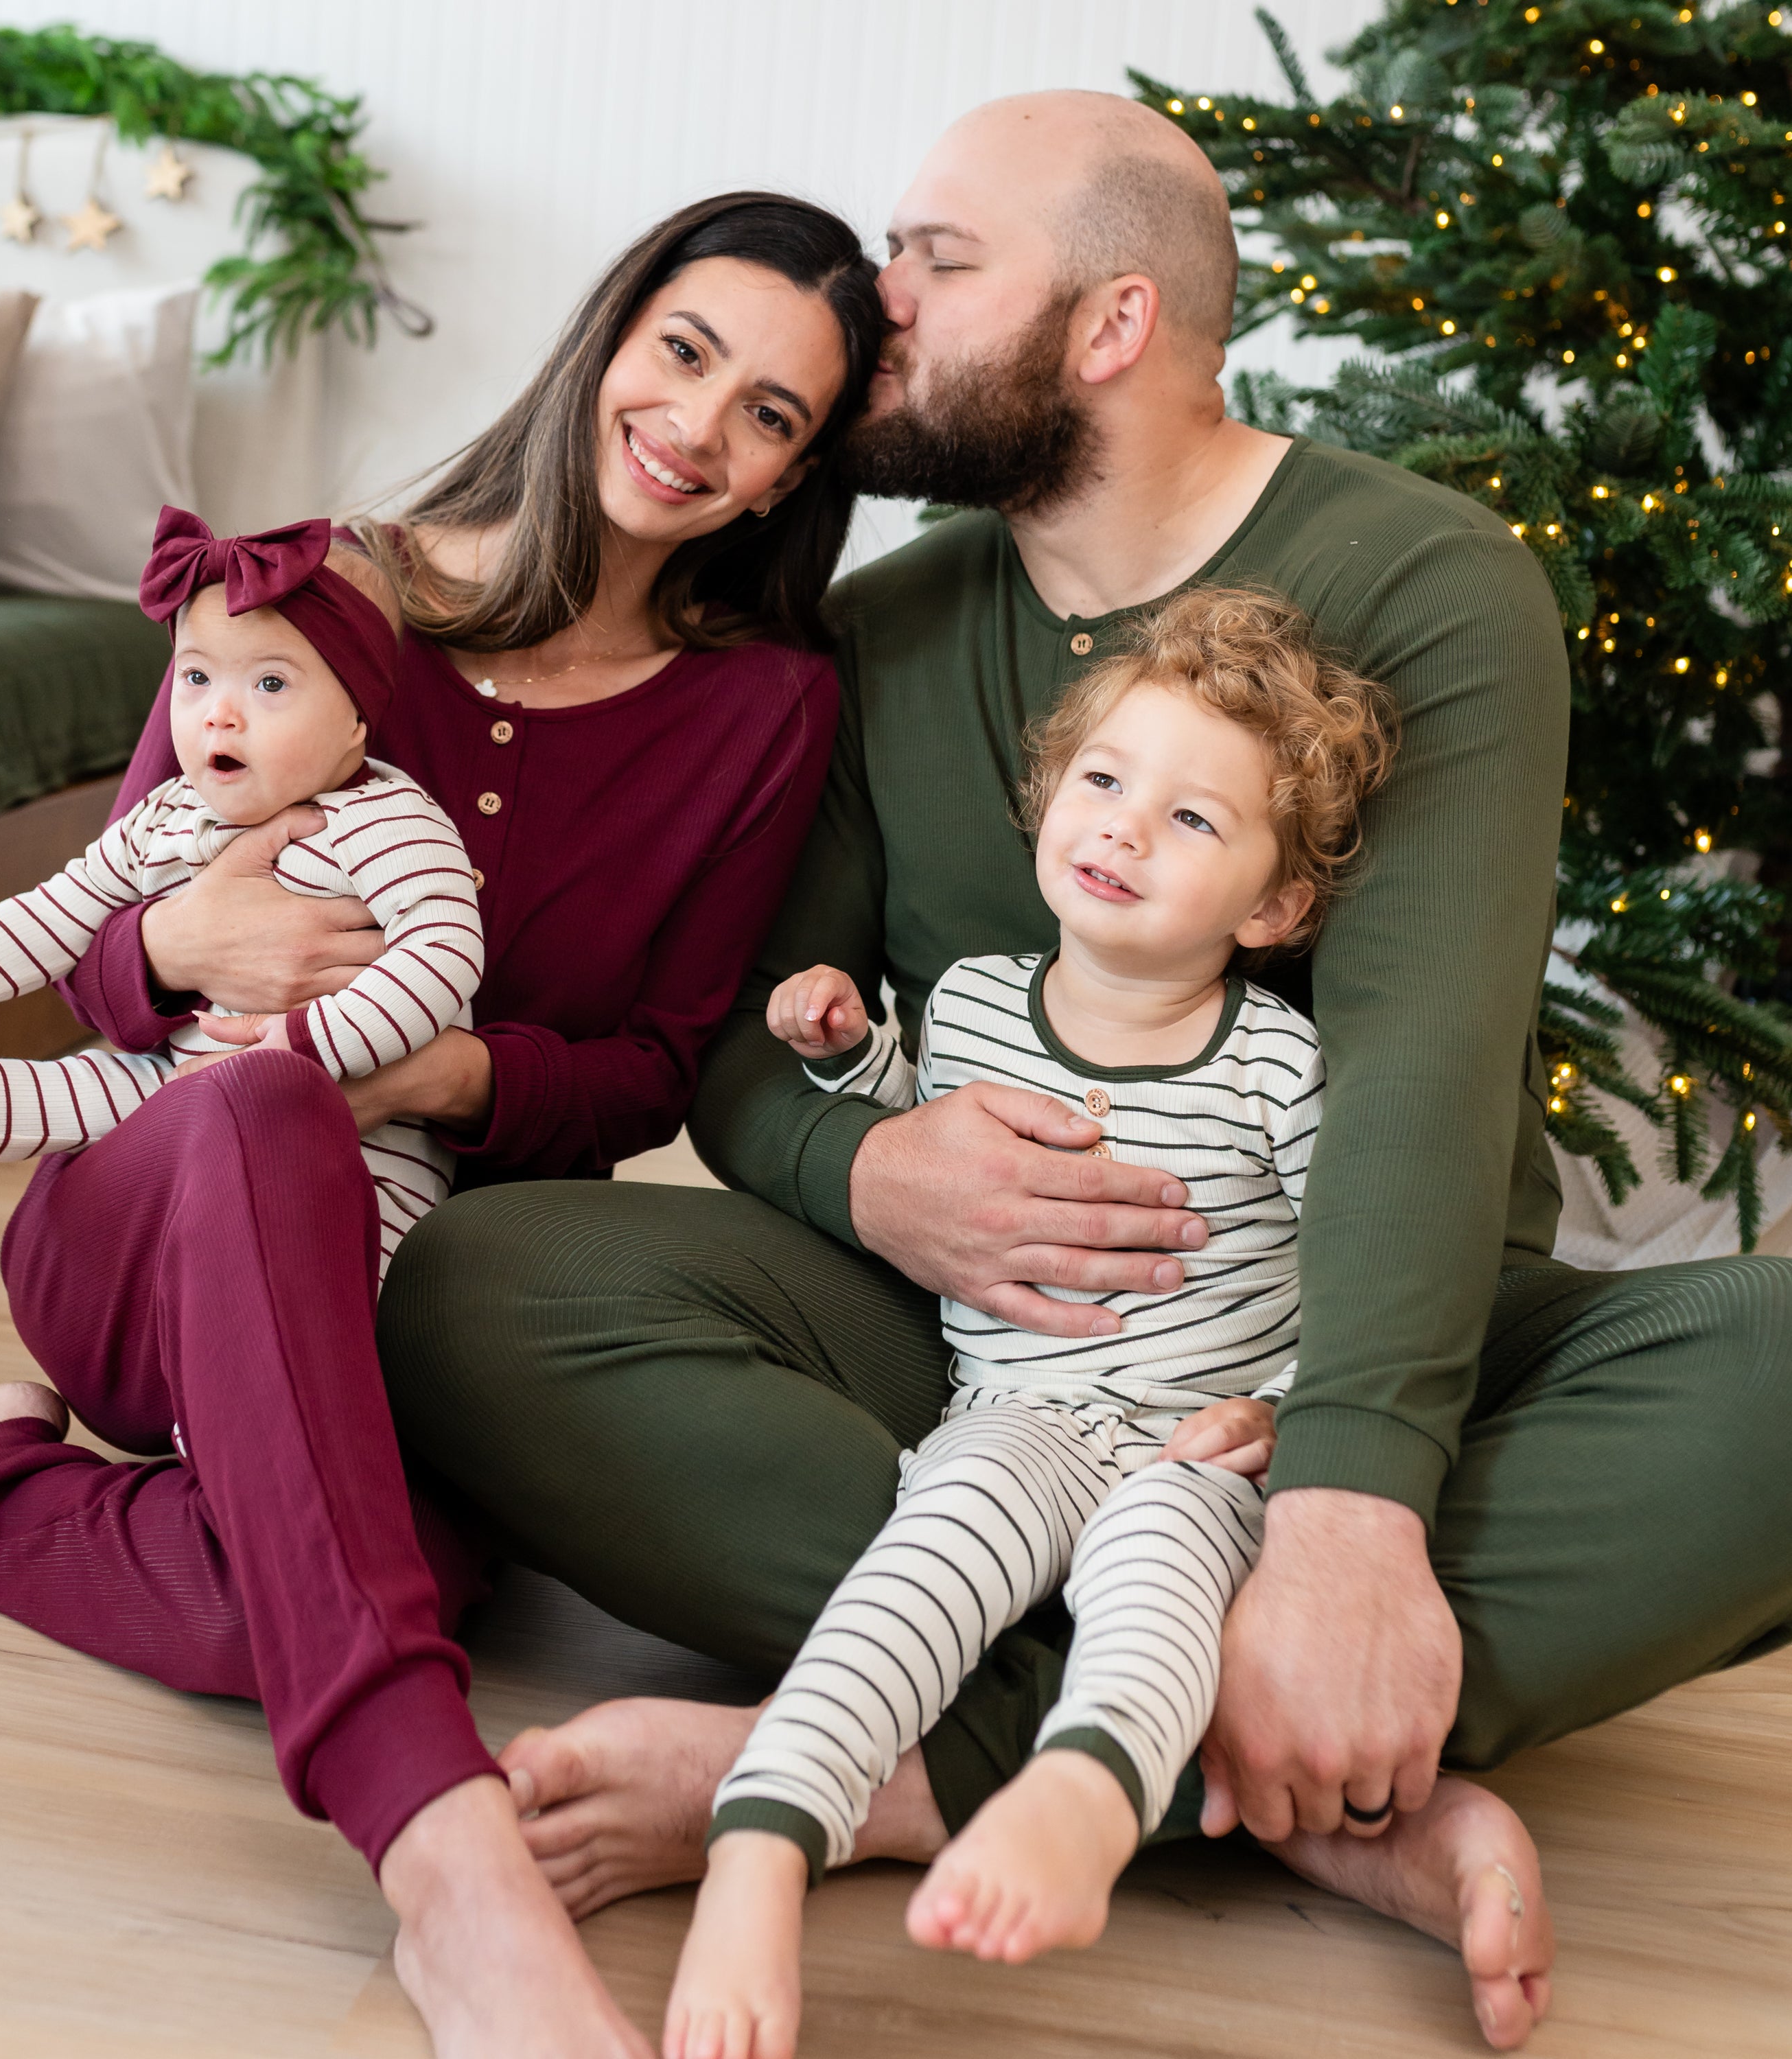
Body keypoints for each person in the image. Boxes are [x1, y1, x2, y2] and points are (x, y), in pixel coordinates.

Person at [386, 91, 1791, 2055]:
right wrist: (859, 1175)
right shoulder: (880, 631)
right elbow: (748, 1038)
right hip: (979, 1361)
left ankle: (894, 1766)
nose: (881, 301)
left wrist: (1348, 1511)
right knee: (473, 1287)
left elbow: (1423, 1076)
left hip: (1322, 1357)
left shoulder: (1431, 580)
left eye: (942, 265)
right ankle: (1256, 1779)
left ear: (1113, 326)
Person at [0, 191, 883, 2059]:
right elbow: (103, 945)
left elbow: (664, 1064)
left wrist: (430, 1076)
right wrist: (179, 946)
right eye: (686, 351)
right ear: (608, 335)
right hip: (145, 1214)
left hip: (419, 1277)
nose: (702, 423)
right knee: (260, 1114)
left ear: (789, 483)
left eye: (774, 415)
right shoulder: (320, 584)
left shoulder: (765, 710)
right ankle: (447, 1868)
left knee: (319, 1594)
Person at [665, 586, 1409, 2059]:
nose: (1127, 829)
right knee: (918, 1567)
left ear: (1272, 908)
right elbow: (915, 1132)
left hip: (1192, 1444)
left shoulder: (1277, 1066)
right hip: (1013, 1416)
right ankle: (760, 1846)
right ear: (1052, 801)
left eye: (1194, 821)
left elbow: (1364, 1263)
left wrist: (1290, 1413)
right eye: (1107, 783)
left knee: (1158, 1574)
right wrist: (843, 1049)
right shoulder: (981, 1004)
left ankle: (1084, 1794)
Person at [0, 509, 478, 1278]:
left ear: (357, 718)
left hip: (358, 1145)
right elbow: (55, 915)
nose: (217, 714)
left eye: (269, 683)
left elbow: (445, 954)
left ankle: (234, 1380)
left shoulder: (385, 819)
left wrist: (299, 1047)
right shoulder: (165, 815)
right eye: (197, 677)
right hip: (178, 1087)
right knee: (78, 1092)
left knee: (306, 1265)